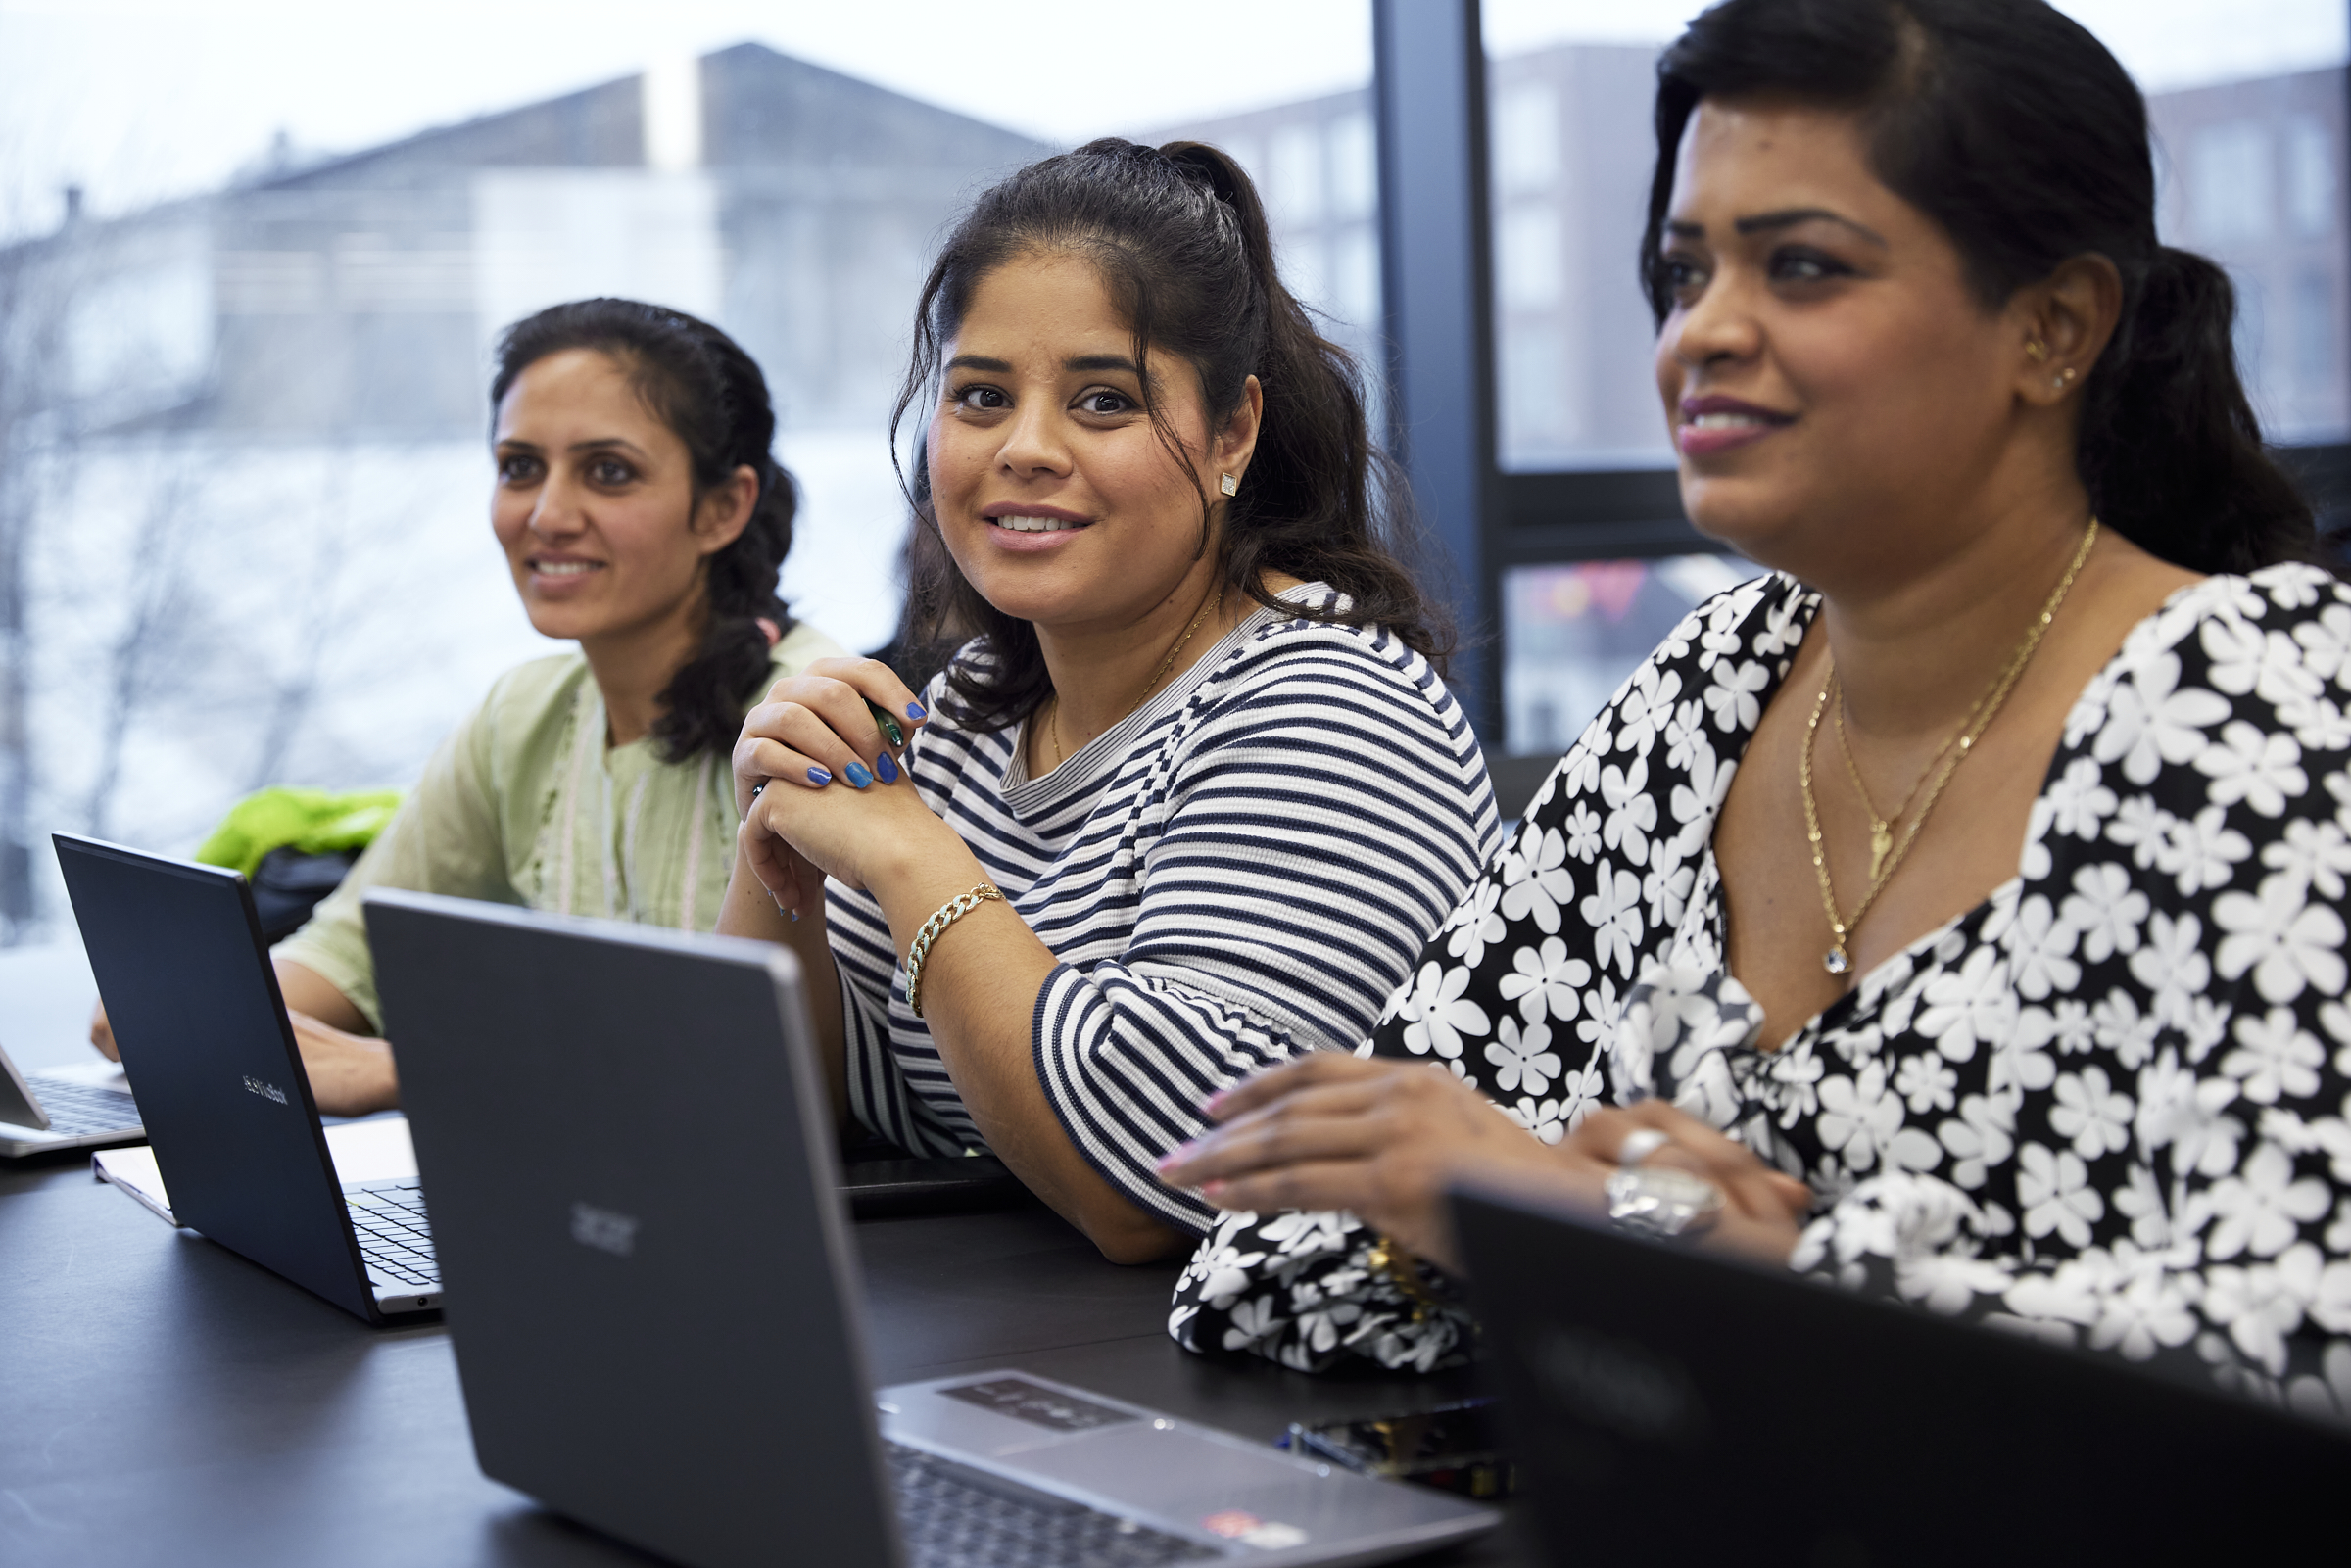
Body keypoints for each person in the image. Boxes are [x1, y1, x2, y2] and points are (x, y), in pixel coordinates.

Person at [1158, 0, 2351, 1417]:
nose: (1701, 334)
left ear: (2054, 327)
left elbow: (2296, 1355)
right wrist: (1600, 1218)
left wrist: (1672, 1237)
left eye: (1801, 266)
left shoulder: (2256, 704)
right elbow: (1275, 1246)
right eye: (1683, 269)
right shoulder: (1707, 690)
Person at [715, 140, 1499, 1264]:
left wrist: (907, 855)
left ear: (1233, 432)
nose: (1026, 449)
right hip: (995, 1360)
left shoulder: (1331, 702)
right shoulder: (974, 707)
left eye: (1103, 399)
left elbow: (1170, 1176)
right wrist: (778, 827)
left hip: (1259, 1410)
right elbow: (783, 1112)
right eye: (981, 395)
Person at [92, 299, 845, 1114]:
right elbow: (345, 953)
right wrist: (173, 1010)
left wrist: (405, 1069)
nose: (547, 515)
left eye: (609, 471)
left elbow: (762, 1082)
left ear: (723, 507)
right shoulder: (523, 715)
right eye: (520, 467)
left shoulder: (804, 721)